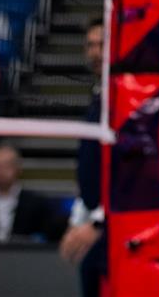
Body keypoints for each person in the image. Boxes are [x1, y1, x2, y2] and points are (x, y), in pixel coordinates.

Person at [59, 23, 106, 296]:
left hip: (114, 231)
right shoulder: (98, 95)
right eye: (91, 45)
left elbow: (127, 172)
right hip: (94, 228)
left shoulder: (124, 100)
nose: (96, 52)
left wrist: (99, 224)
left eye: (102, 45)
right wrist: (79, 221)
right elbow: (91, 169)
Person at [0, 142, 64, 243]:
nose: (1, 171)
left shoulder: (35, 204)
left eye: (6, 165)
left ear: (18, 168)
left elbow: (49, 234)